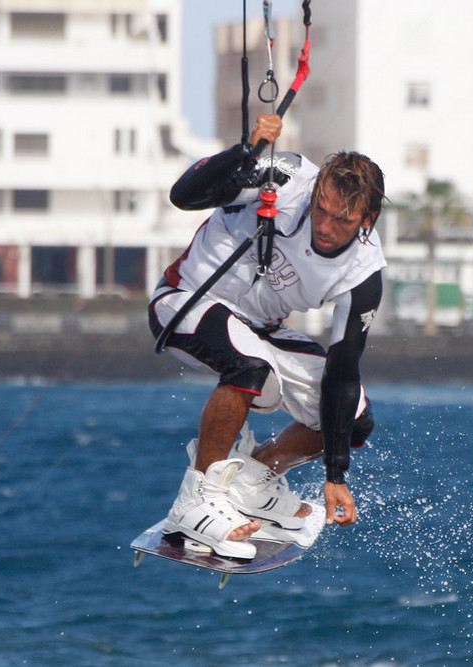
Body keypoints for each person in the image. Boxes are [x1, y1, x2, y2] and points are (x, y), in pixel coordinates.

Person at [148, 114, 386, 558]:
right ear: (316, 193)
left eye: (343, 220)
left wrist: (335, 475)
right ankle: (197, 500)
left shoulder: (364, 274)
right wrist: (246, 152)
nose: (325, 227)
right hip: (185, 299)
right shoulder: (287, 175)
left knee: (352, 418)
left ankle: (252, 481)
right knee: (248, 367)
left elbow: (342, 372)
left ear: (367, 220)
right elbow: (184, 196)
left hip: (260, 327)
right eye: (321, 210)